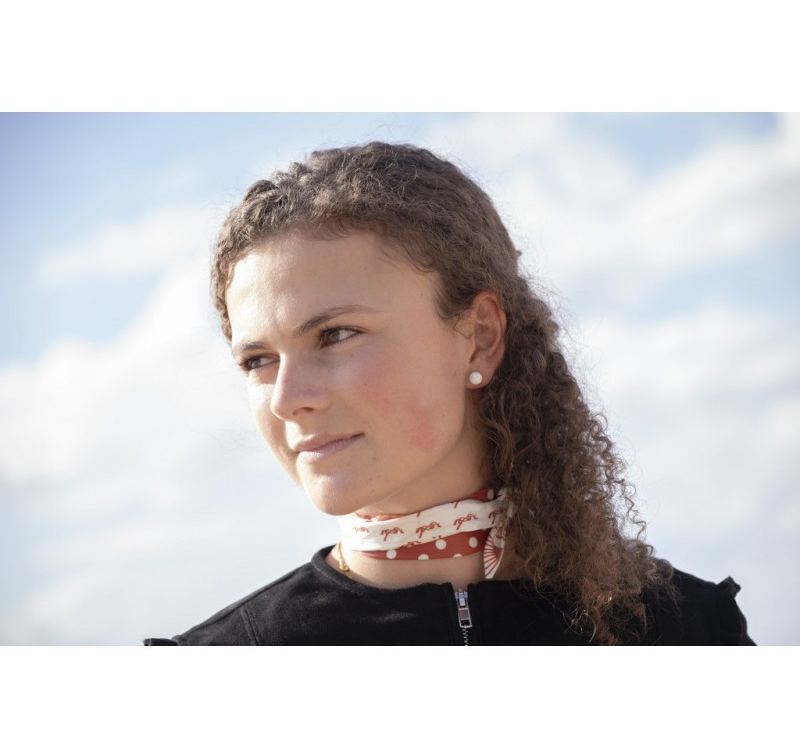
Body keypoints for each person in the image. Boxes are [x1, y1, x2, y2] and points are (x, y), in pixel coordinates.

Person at [144, 142, 754, 646]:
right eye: (257, 361)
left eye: (336, 335)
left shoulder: (688, 632)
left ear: (479, 337)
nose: (285, 399)